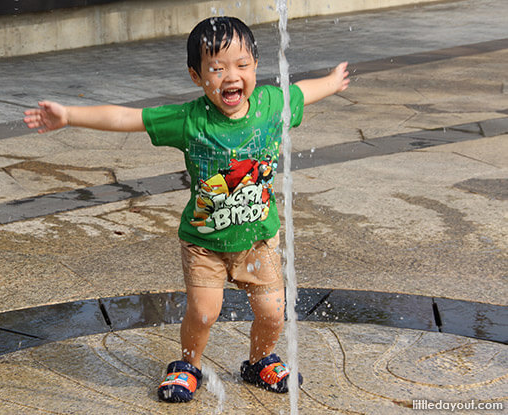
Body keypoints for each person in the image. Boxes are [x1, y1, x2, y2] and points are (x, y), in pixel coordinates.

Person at [24, 16, 349, 403]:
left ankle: (260, 360)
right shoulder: (190, 120)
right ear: (197, 76)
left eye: (242, 65)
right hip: (204, 245)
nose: (232, 76)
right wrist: (70, 115)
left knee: (273, 311)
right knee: (204, 311)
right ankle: (187, 365)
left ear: (256, 66)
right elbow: (130, 118)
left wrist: (331, 81)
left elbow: (300, 92)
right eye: (217, 67)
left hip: (258, 241)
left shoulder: (270, 106)